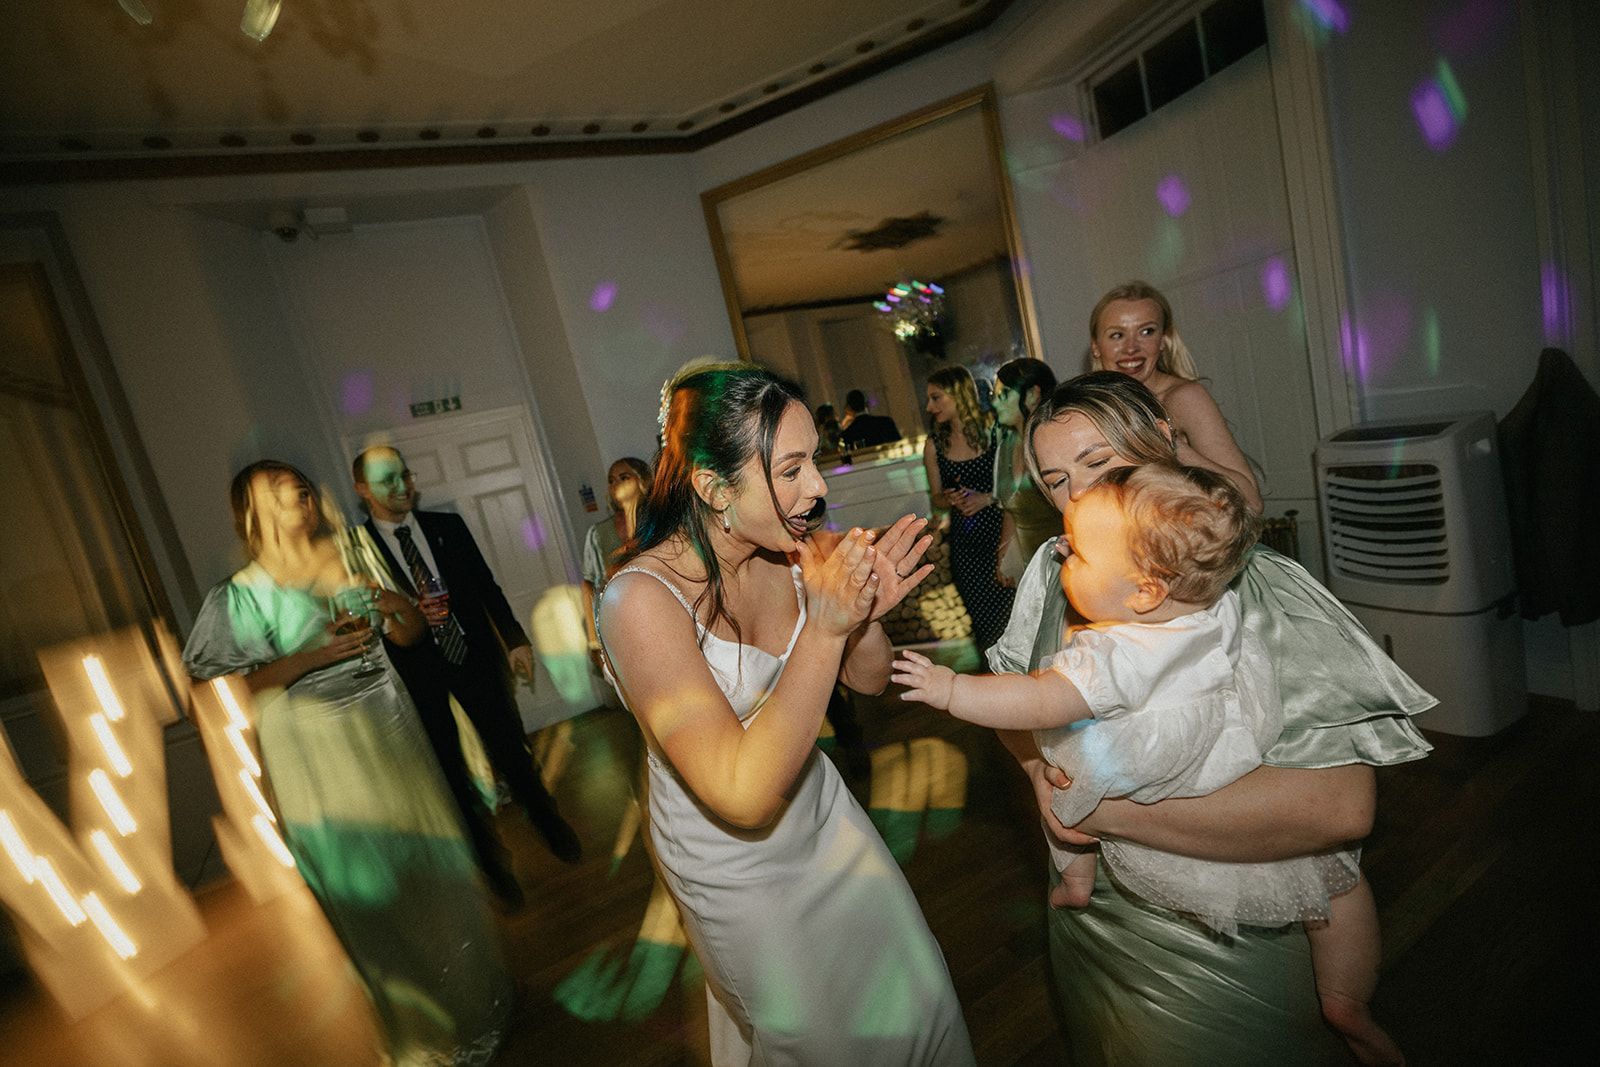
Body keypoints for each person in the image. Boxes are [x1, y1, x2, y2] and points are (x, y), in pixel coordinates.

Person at [989, 373, 1434, 1065]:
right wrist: (1035, 774)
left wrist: (1097, 811)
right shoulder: (1057, 568)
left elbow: (1340, 808)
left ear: (1163, 443)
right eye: (1056, 481)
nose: (1078, 497)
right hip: (1087, 916)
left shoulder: (1239, 580)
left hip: (1222, 935)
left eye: (1099, 464)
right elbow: (1015, 692)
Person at [897, 461, 1403, 1065]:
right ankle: (1349, 1002)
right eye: (1055, 483)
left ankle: (1076, 878)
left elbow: (1037, 699)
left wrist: (952, 689)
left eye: (1080, 553)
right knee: (1332, 882)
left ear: (1144, 591)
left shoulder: (1114, 654)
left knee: (1067, 777)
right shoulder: (1213, 605)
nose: (1062, 551)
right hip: (1227, 752)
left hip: (1148, 769)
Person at [597, 361, 974, 1065]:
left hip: (824, 817)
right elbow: (741, 796)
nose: (819, 486)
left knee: (918, 990)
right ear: (714, 487)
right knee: (819, 1036)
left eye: (814, 462)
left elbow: (868, 680)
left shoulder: (796, 548)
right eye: (792, 469)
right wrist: (825, 629)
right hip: (733, 865)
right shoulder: (640, 601)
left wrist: (861, 615)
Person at [182, 461, 511, 1064]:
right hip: (314, 751)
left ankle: (473, 1006)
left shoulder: (352, 556)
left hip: (388, 727)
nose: (300, 497)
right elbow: (211, 693)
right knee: (370, 894)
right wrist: (310, 655)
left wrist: (387, 601)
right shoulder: (239, 595)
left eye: (303, 488)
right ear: (252, 513)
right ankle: (423, 1033)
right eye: (282, 491)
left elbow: (410, 634)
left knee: (430, 871)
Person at [354, 446, 581, 899]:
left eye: (404, 475)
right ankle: (491, 865)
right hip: (417, 675)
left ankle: (549, 823)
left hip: (473, 659)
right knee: (450, 772)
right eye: (386, 480)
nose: (401, 487)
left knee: (511, 751)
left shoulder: (448, 527)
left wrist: (514, 639)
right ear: (363, 490)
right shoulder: (357, 549)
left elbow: (485, 586)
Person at [1087, 280, 1263, 512]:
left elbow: (1251, 500)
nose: (1131, 348)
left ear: (1163, 340)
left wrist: (1170, 444)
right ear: (1096, 346)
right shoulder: (1090, 410)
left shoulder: (1184, 398)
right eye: (1117, 335)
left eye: (1146, 332)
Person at [923, 365, 1015, 655]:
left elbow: (1018, 485)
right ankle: (992, 679)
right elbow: (936, 498)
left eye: (936, 398)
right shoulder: (934, 444)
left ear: (958, 394)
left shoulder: (996, 431)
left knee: (1014, 619)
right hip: (966, 544)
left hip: (1003, 533)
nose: (929, 407)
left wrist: (987, 498)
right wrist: (948, 498)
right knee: (984, 626)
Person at [990, 357, 1059, 582]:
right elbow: (1011, 511)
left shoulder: (1054, 446)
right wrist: (1004, 558)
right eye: (994, 395)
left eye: (1004, 394)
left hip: (1063, 567)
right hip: (1029, 572)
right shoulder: (1005, 448)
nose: (995, 403)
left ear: (1032, 394)